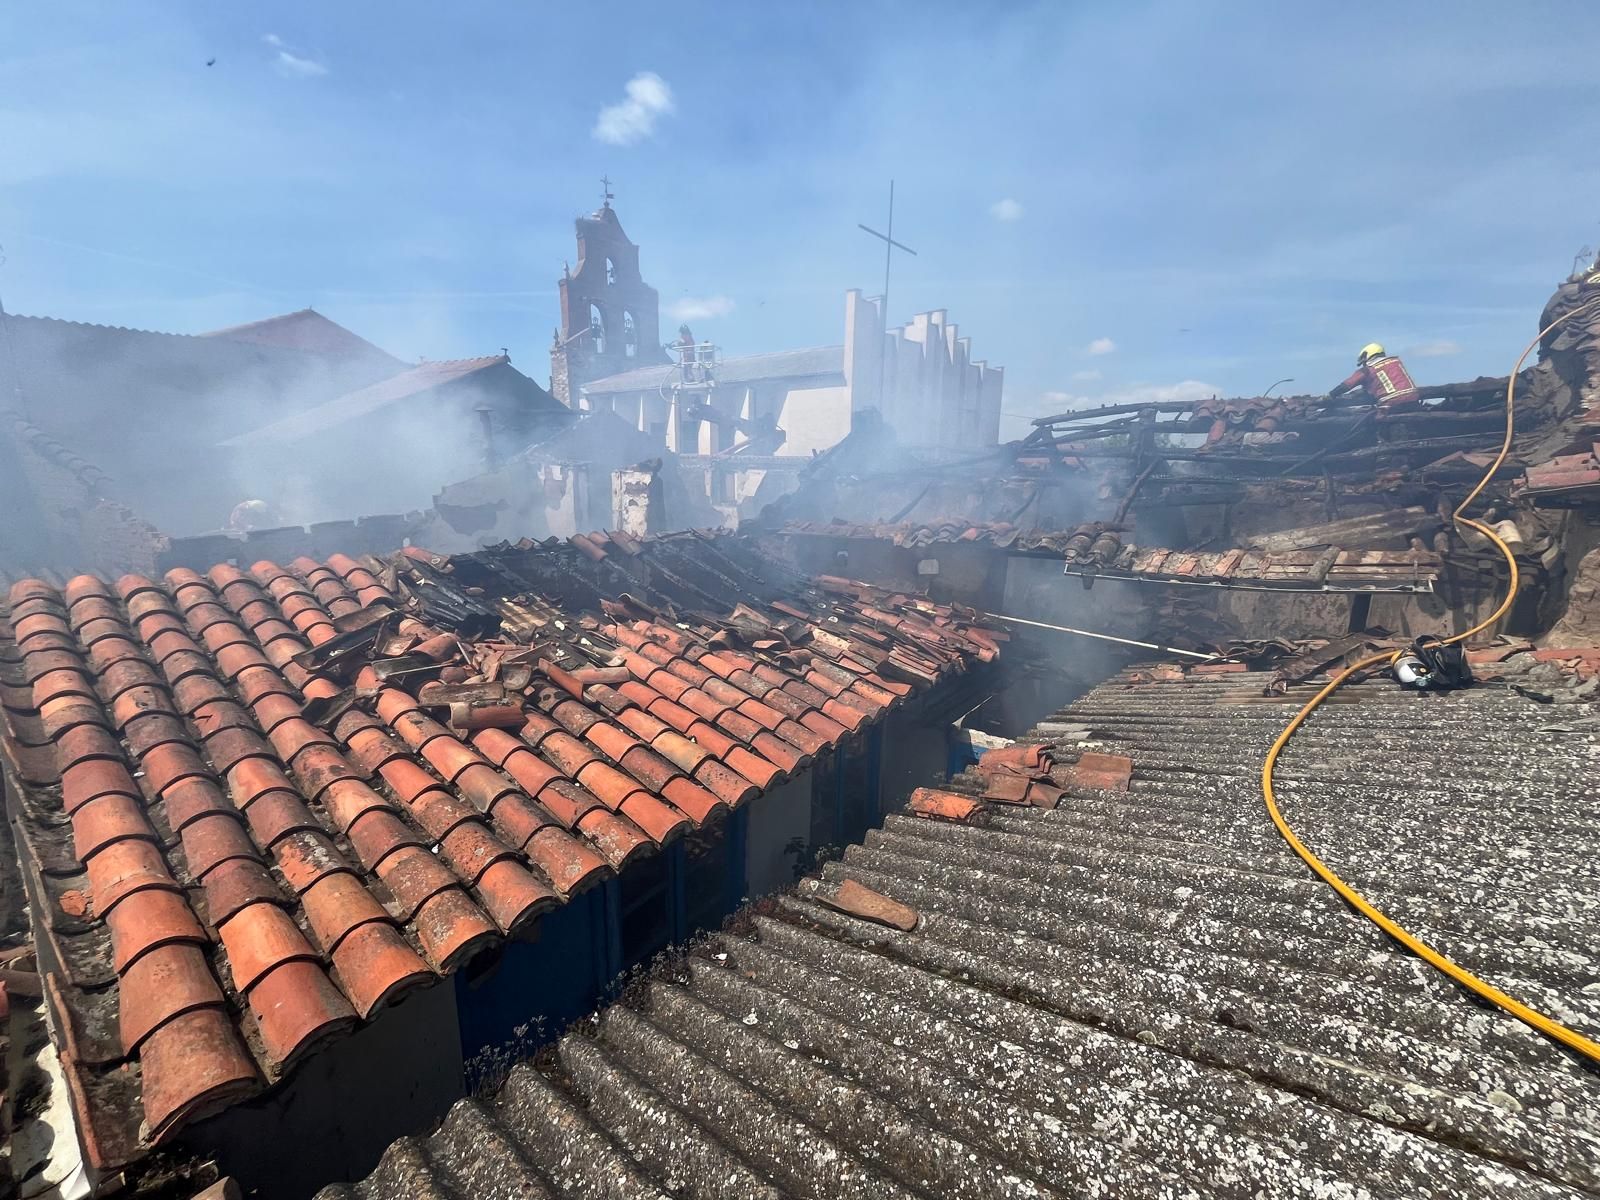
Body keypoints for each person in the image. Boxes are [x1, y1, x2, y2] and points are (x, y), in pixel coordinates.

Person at [1327, 343, 1419, 409]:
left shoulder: (1368, 369)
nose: (1364, 364)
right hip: (1414, 399)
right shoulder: (1396, 362)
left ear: (1367, 355)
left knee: (1369, 424)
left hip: (1391, 404)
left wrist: (1331, 394)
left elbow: (1347, 385)